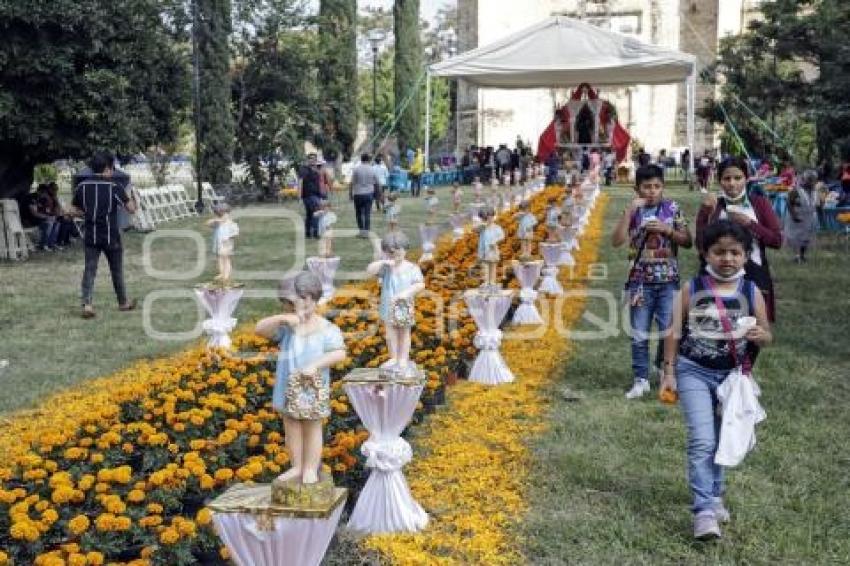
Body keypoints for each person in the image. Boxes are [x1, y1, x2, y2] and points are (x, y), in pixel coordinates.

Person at [660, 220, 773, 540]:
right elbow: (673, 331)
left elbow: (767, 334)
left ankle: (715, 493)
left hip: (731, 377)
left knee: (722, 438)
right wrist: (669, 373)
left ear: (746, 255)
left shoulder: (752, 291)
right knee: (702, 440)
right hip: (692, 370)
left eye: (735, 252)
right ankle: (704, 511)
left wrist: (760, 334)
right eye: (719, 252)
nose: (727, 258)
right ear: (705, 253)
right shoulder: (692, 289)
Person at [255, 271, 347, 485]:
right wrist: (281, 318)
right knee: (291, 424)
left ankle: (310, 468)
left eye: (299, 304)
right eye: (289, 305)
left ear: (311, 299)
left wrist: (315, 365)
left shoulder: (326, 328)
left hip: (311, 388)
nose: (295, 310)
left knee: (312, 425)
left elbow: (339, 352)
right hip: (289, 387)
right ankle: (296, 466)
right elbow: (259, 330)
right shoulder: (287, 328)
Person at [612, 164, 692, 400]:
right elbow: (616, 241)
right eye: (647, 187)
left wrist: (668, 230)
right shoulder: (633, 211)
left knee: (669, 328)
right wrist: (629, 212)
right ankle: (641, 379)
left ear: (663, 187)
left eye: (657, 186)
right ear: (637, 189)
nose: (652, 191)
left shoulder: (672, 209)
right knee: (639, 332)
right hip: (640, 282)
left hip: (668, 281)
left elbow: (688, 241)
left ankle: (663, 366)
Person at [696, 157, 782, 322]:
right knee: (717, 326)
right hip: (717, 274)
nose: (732, 184)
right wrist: (704, 213)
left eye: (737, 178)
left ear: (746, 178)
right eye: (726, 179)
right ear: (720, 180)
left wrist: (750, 224)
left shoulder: (759, 204)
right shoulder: (715, 205)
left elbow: (776, 240)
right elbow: (701, 246)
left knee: (751, 328)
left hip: (753, 274)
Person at [69, 151, 138, 318]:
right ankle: (123, 303)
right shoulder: (115, 187)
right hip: (111, 236)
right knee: (117, 271)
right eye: (112, 168)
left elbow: (74, 211)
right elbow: (131, 209)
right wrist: (134, 197)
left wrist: (85, 213)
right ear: (108, 168)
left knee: (90, 270)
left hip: (91, 235)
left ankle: (87, 304)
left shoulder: (82, 187)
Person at [367, 232, 425, 373]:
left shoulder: (411, 268)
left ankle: (403, 358)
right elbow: (370, 271)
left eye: (398, 251)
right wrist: (382, 261)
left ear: (405, 250)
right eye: (390, 252)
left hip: (403, 307)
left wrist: (406, 293)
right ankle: (394, 357)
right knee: (390, 333)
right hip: (388, 307)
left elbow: (420, 284)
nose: (394, 255)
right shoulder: (386, 268)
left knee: (404, 333)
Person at [785, 169, 819, 263]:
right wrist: (794, 215)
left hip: (809, 218)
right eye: (810, 180)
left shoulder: (814, 191)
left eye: (814, 180)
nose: (812, 182)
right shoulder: (796, 190)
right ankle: (797, 256)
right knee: (796, 238)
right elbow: (788, 202)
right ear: (805, 180)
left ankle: (802, 256)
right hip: (797, 216)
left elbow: (816, 204)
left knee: (806, 238)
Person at [206, 203, 239, 283]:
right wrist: (215, 220)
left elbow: (235, 233)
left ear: (227, 214)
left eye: (221, 215)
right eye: (218, 215)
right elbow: (207, 224)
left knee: (226, 259)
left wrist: (228, 239)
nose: (219, 217)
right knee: (220, 259)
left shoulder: (231, 224)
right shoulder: (217, 224)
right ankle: (222, 273)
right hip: (218, 245)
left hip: (226, 245)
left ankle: (226, 275)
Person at [349, 153, 378, 237]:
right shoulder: (372, 169)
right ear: (368, 159)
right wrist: (378, 194)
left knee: (358, 213)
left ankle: (361, 231)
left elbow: (351, 183)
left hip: (358, 194)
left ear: (361, 159)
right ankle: (367, 232)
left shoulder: (356, 169)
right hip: (369, 193)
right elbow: (377, 183)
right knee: (367, 213)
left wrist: (350, 194)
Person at [299, 154, 323, 239]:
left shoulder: (315, 169)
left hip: (315, 195)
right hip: (309, 195)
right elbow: (300, 182)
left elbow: (319, 183)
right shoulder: (304, 169)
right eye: (311, 159)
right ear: (308, 160)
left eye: (314, 159)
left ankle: (308, 233)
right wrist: (299, 196)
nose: (313, 161)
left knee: (309, 214)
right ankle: (316, 233)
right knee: (317, 213)